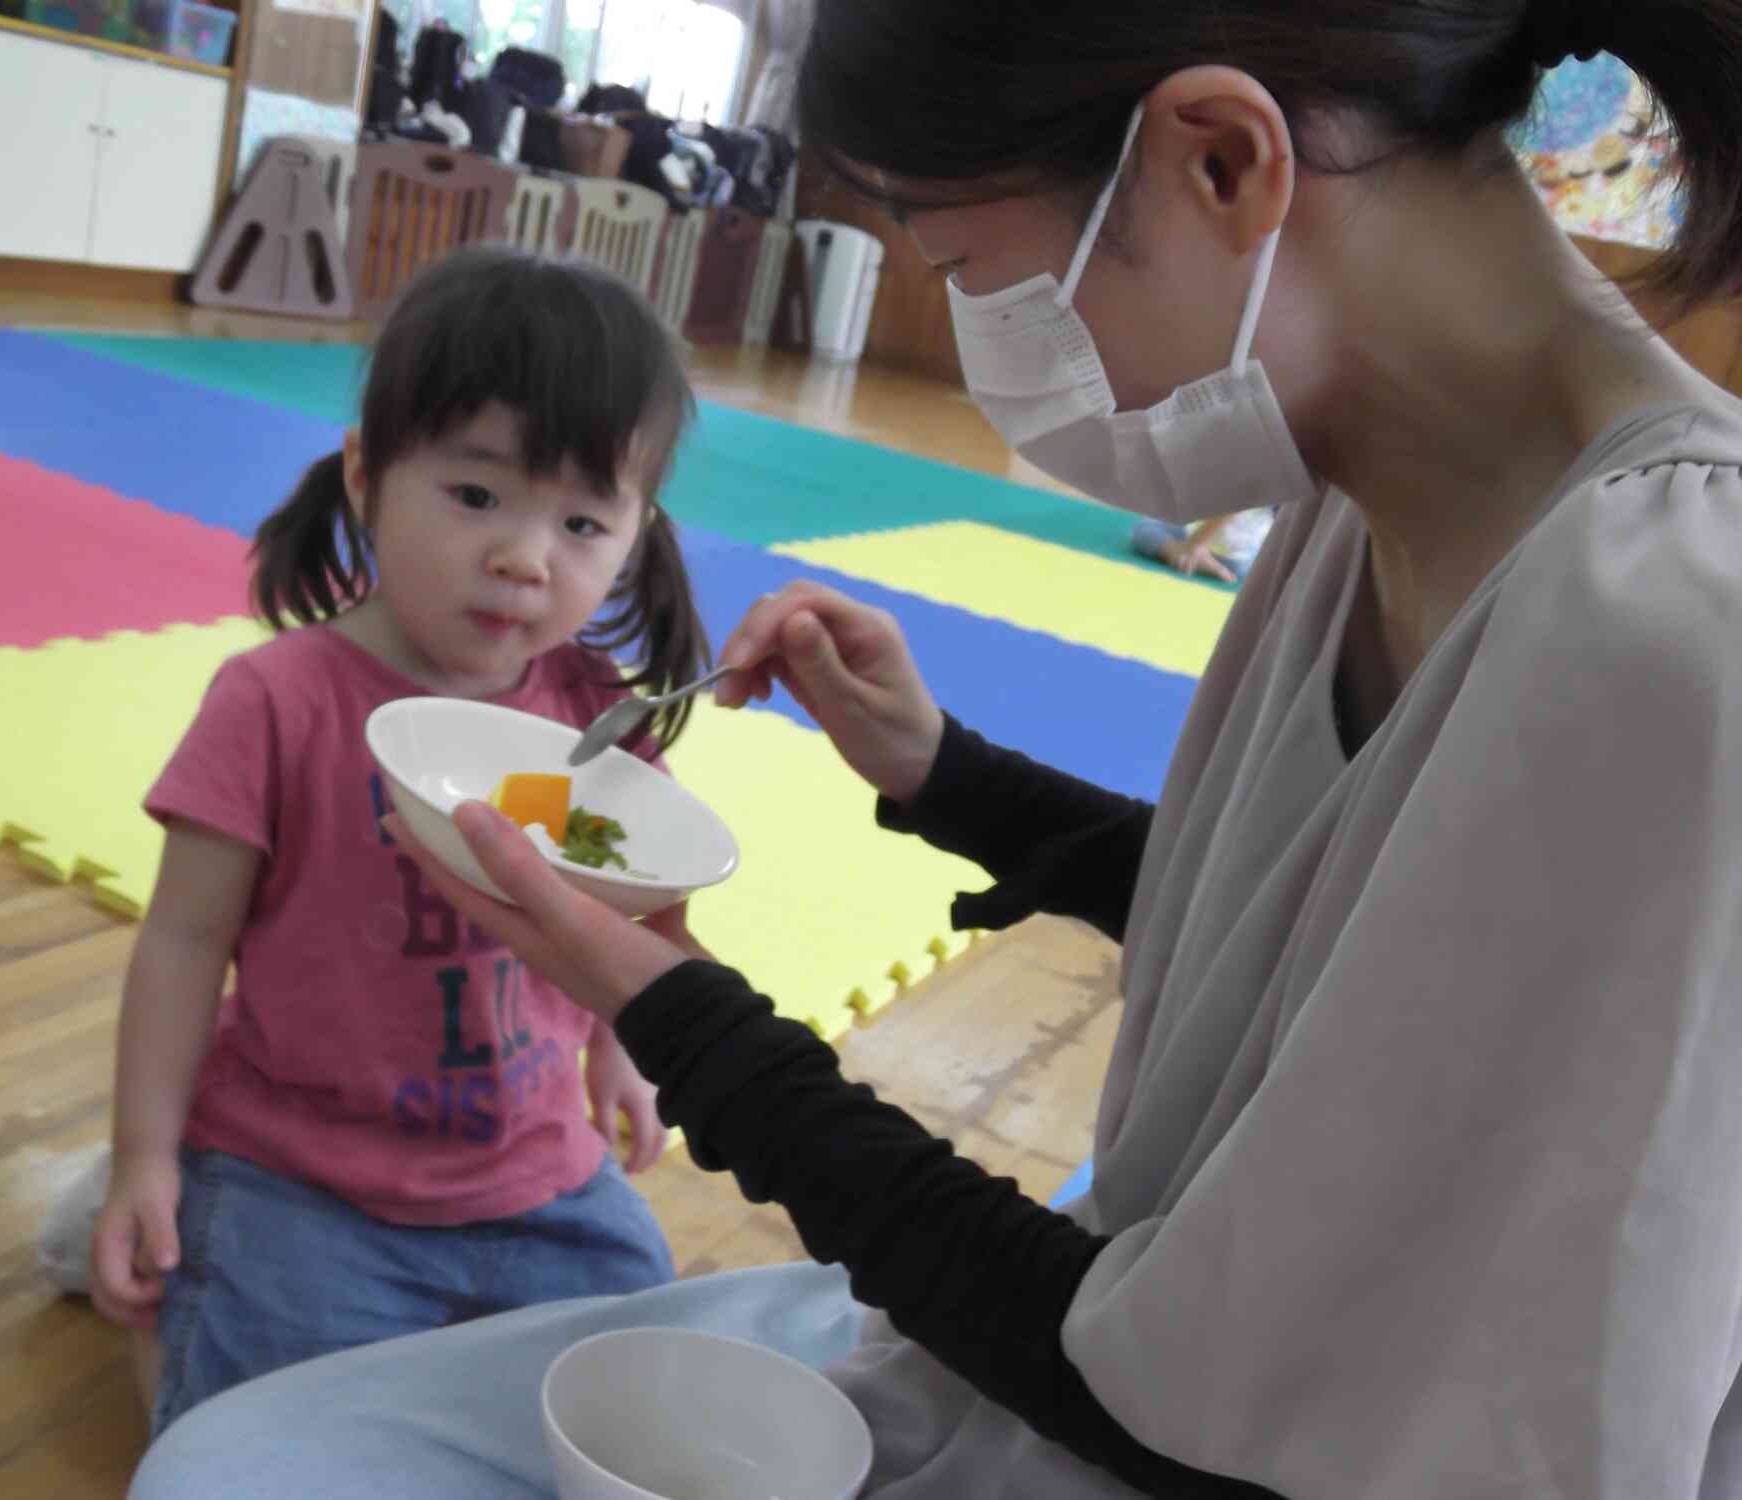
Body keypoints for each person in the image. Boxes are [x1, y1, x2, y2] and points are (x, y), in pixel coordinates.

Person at [129, 2, 1742, 1495]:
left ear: (1220, 160)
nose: (982, 343)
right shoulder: (1362, 486)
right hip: (1125, 1339)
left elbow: (1190, 1401)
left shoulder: (1672, 650)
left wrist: (665, 1013)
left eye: (966, 266)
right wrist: (941, 773)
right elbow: (1309, 938)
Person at [53, 245, 711, 1441]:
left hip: (541, 1178)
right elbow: (185, 940)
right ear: (366, 474)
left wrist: (620, 1046)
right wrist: (140, 1156)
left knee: (650, 1411)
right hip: (302, 1183)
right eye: (475, 496)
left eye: (579, 520)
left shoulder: (588, 712)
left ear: (634, 534)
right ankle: (142, 1239)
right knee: (241, 1445)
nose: (525, 556)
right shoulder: (276, 701)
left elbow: (622, 911)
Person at [1129, 507, 1276, 583]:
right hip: (1242, 559)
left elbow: (1239, 500)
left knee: (1145, 528)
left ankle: (1182, 555)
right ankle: (1203, 560)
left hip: (1212, 542)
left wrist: (1196, 544)